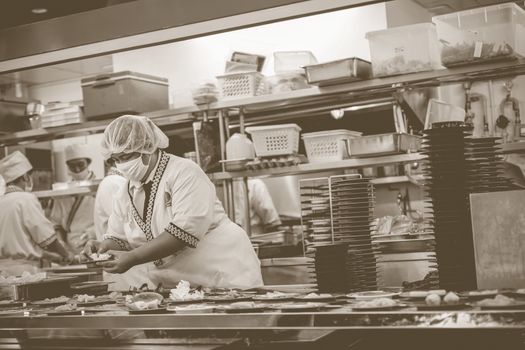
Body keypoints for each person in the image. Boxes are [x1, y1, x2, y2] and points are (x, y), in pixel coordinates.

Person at [84, 115, 263, 289]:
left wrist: (133, 258)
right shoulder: (126, 190)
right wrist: (102, 247)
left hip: (223, 273)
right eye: (116, 160)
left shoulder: (184, 172)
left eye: (127, 157)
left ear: (148, 147)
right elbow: (119, 238)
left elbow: (182, 232)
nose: (121, 165)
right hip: (182, 284)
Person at [0, 151, 71, 275]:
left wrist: (55, 258)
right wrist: (67, 255)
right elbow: (47, 239)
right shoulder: (26, 199)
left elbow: (22, 243)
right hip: (24, 271)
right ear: (25, 177)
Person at [93, 160, 149, 291]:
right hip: (126, 272)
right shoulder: (114, 182)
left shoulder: (120, 181)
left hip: (130, 268)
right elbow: (128, 224)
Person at [49, 144, 96, 253]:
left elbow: (110, 219)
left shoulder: (99, 187)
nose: (77, 169)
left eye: (81, 164)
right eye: (72, 166)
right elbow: (56, 222)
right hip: (70, 246)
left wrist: (92, 233)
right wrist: (61, 242)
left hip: (94, 241)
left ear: (88, 163)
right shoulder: (63, 191)